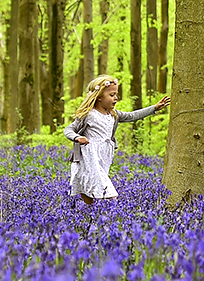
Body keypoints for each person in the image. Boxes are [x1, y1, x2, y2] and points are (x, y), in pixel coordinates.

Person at [63, 75, 170, 204]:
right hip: (89, 157)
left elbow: (132, 116)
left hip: (104, 156)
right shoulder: (88, 115)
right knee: (109, 194)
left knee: (90, 191)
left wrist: (154, 108)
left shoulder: (113, 114)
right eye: (112, 95)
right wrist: (77, 137)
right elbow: (68, 130)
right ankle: (107, 215)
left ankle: (92, 218)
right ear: (99, 97)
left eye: (116, 94)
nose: (116, 98)